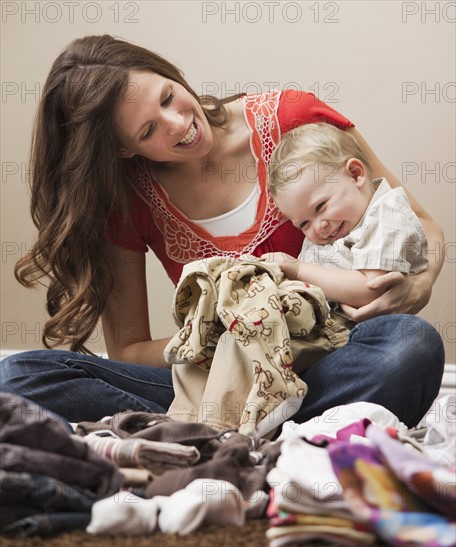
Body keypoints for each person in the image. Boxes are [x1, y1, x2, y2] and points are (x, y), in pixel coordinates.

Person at [0, 34, 445, 429]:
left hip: (324, 361)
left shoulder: (293, 117)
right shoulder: (126, 199)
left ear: (170, 75)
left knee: (409, 344)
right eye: (149, 129)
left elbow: (415, 218)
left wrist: (420, 282)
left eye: (168, 96)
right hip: (210, 383)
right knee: (19, 377)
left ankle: (220, 438)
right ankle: (268, 435)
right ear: (122, 149)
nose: (179, 123)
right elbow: (130, 349)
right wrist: (226, 330)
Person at [266, 122, 429, 313]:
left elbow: (371, 290)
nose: (318, 227)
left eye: (320, 206)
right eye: (303, 223)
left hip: (369, 330)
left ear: (355, 174)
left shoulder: (387, 215)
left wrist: (297, 269)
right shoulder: (329, 231)